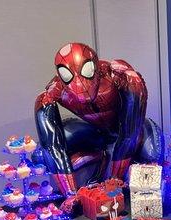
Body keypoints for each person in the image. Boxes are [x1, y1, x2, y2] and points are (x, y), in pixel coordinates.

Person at [33, 43, 163, 211]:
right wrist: (70, 195)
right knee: (39, 155)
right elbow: (52, 147)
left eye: (87, 73)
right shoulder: (50, 94)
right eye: (68, 76)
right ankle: (96, 157)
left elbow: (130, 132)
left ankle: (123, 173)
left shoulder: (120, 75)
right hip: (95, 131)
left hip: (127, 126)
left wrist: (114, 181)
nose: (80, 85)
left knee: (152, 152)